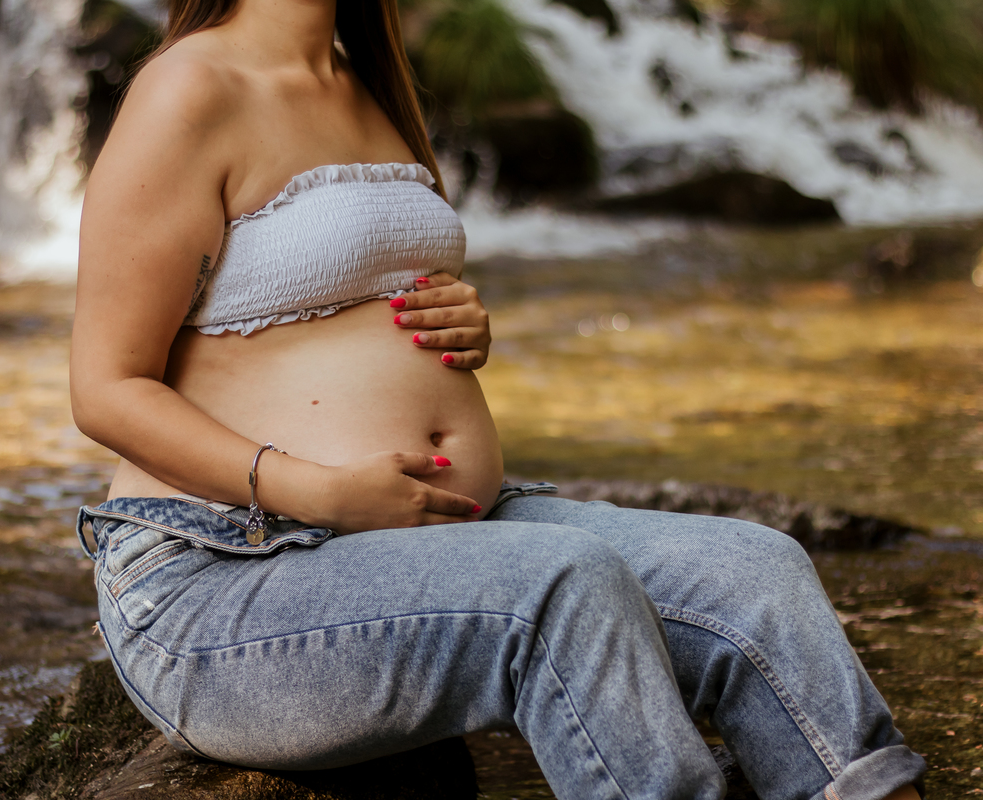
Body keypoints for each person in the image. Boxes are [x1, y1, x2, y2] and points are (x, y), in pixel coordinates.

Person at [69, 0, 925, 797]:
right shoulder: (187, 87)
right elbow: (105, 389)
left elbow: (349, 304)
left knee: (757, 571)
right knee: (563, 585)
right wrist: (318, 489)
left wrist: (461, 325)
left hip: (431, 531)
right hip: (229, 571)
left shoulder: (363, 78)